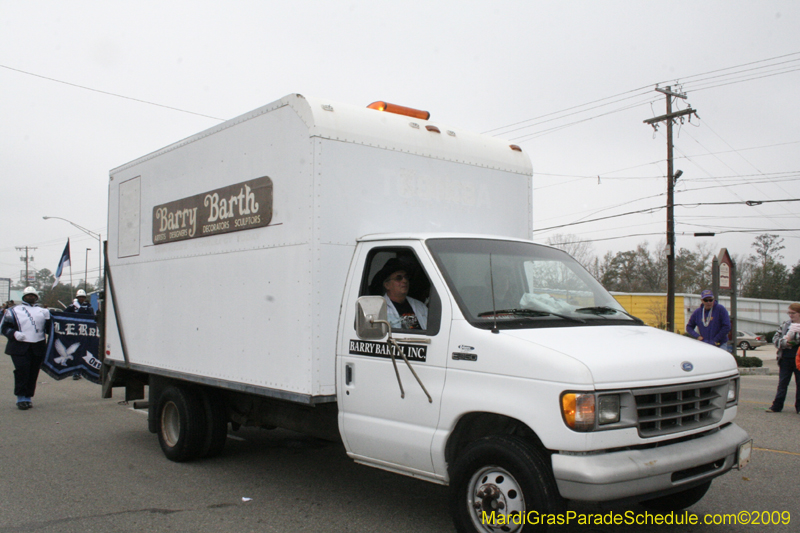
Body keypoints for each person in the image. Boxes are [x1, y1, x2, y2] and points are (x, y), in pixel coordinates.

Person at [1, 287, 51, 410]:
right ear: (24, 297)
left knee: (33, 373)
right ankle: (20, 397)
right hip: (19, 346)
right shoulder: (13, 310)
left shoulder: (42, 311)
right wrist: (14, 334)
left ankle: (28, 397)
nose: (31, 297)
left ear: (37, 297)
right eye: (28, 295)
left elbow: (50, 330)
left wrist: (49, 319)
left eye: (33, 295)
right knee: (22, 371)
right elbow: (3, 328)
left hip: (37, 346)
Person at [372, 258, 427, 330]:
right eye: (398, 278)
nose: (405, 281)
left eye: (406, 277)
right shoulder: (378, 308)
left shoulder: (420, 306)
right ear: (387, 285)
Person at [767, 303, 800, 413]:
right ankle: (777, 406)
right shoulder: (785, 325)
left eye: (793, 313)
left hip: (798, 360)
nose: (790, 315)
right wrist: (786, 343)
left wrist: (794, 339)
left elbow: (797, 339)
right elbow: (775, 339)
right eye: (789, 313)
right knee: (782, 384)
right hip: (785, 358)